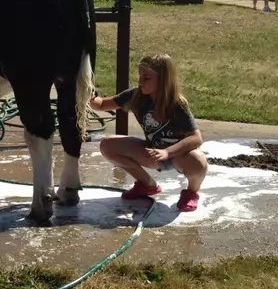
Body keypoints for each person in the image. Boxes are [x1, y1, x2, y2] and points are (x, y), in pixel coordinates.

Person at [89, 54, 208, 212]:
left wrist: (167, 152)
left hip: (180, 155)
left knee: (198, 161)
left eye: (147, 78)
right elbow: (102, 104)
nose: (140, 81)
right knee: (108, 145)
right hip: (153, 153)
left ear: (163, 80)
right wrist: (85, 89)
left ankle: (191, 193)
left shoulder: (176, 103)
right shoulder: (136, 95)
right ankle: (147, 185)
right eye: (140, 76)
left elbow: (196, 138)